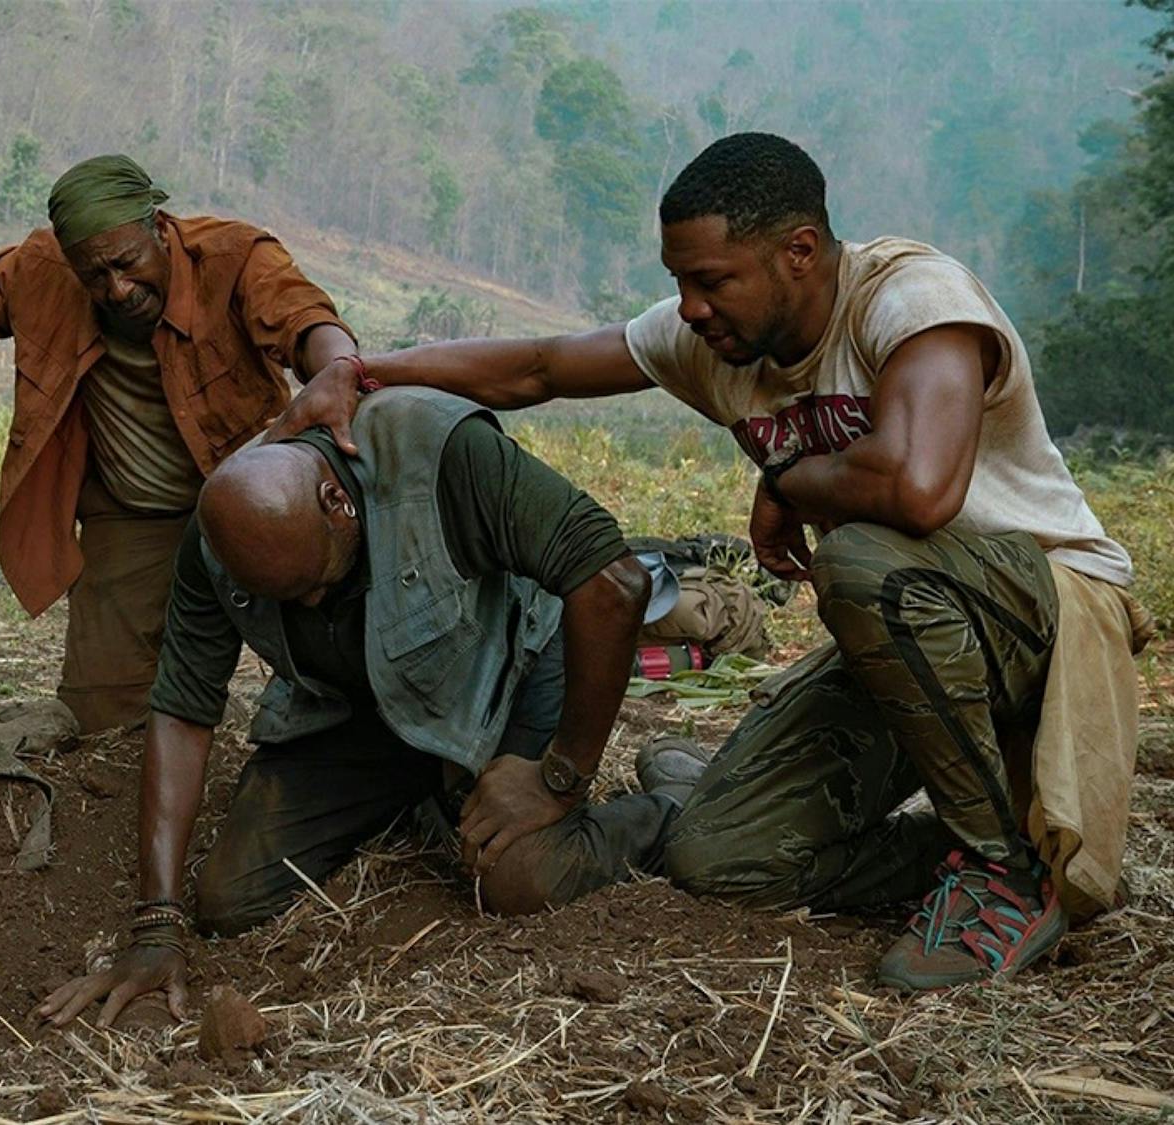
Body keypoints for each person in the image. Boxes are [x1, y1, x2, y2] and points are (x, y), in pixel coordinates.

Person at [269, 133, 1147, 991]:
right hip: (910, 649)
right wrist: (361, 370)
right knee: (719, 855)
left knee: (866, 566)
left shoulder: (911, 300)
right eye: (678, 282)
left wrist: (791, 480)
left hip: (1045, 613)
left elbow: (920, 492)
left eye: (710, 280)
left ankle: (1002, 874)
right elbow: (539, 368)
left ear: (798, 251)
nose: (689, 306)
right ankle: (959, 847)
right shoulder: (716, 341)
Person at [37, 386, 681, 1027]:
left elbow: (615, 584)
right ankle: (433, 789)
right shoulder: (219, 538)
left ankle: (672, 807)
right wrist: (156, 926)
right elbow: (182, 710)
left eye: (318, 584)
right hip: (362, 705)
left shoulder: (441, 454)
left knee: (516, 879)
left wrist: (559, 777)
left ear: (336, 501)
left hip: (511, 669)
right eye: (288, 601)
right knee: (233, 898)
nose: (312, 607)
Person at [0, 155, 359, 733]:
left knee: (335, 686)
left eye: (127, 263)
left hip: (256, 506)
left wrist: (337, 369)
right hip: (135, 517)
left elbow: (304, 320)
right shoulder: (43, 268)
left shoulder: (234, 257)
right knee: (100, 715)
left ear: (159, 229)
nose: (118, 289)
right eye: (95, 276)